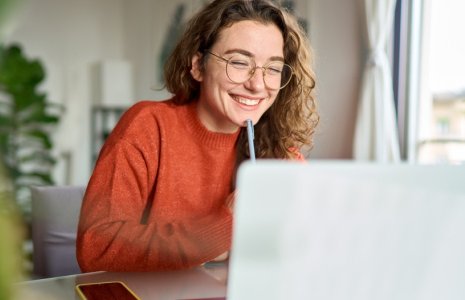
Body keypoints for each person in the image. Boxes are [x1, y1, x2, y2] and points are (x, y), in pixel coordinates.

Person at [76, 0, 318, 272]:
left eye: (273, 68)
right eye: (239, 62)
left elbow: (310, 250)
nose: (257, 84)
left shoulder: (278, 152)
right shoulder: (147, 127)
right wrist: (225, 226)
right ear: (198, 66)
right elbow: (96, 248)